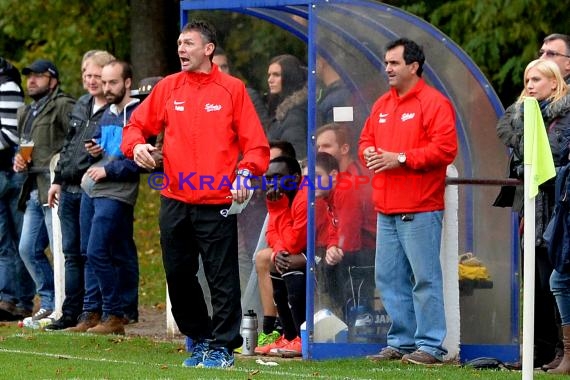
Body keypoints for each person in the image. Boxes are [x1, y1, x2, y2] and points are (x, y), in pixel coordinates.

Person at [121, 20, 269, 368]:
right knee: (177, 274)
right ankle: (200, 338)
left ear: (208, 49)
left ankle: (223, 346)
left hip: (217, 201)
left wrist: (246, 173)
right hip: (174, 198)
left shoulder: (233, 89)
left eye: (188, 43)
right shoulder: (169, 87)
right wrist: (136, 146)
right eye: (178, 44)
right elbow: (135, 126)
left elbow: (257, 146)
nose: (181, 50)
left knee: (221, 277)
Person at [359, 38, 457, 365]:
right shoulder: (382, 105)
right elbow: (365, 141)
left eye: (394, 63)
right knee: (388, 279)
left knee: (424, 279)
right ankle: (401, 342)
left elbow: (445, 150)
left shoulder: (435, 103)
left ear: (413, 66)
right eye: (386, 62)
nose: (387, 68)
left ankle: (430, 346)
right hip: (386, 207)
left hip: (420, 207)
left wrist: (399, 158)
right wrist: (369, 153)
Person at [496, 59, 570, 370]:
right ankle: (536, 352)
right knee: (536, 286)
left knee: (556, 283)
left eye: (537, 79)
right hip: (532, 210)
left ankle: (559, 352)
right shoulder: (524, 117)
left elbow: (546, 158)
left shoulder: (563, 118)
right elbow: (517, 158)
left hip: (558, 210)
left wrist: (527, 123)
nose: (529, 85)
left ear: (555, 83)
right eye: (527, 78)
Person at [67, 60, 140, 335]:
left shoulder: (139, 114)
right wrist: (94, 149)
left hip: (117, 192)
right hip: (92, 190)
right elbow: (102, 146)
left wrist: (108, 168)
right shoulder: (107, 113)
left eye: (112, 83)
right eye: (104, 82)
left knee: (99, 251)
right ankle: (91, 312)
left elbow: (140, 161)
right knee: (88, 252)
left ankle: (114, 314)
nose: (106, 88)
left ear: (127, 82)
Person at [44, 50, 115, 331]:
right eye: (87, 75)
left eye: (96, 75)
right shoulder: (81, 104)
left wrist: (103, 152)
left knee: (89, 252)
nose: (91, 80)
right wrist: (57, 180)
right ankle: (70, 312)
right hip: (69, 188)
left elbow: (116, 149)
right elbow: (68, 147)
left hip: (92, 188)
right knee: (70, 254)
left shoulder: (111, 109)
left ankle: (92, 311)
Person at [13, 59, 75, 321]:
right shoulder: (26, 112)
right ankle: (49, 301)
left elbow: (74, 142)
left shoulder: (64, 105)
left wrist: (60, 170)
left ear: (53, 79)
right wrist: (18, 159)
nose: (32, 81)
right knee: (27, 249)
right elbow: (25, 146)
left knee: (62, 251)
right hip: (32, 189)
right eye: (29, 77)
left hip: (55, 188)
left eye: (38, 76)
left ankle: (64, 305)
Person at [315, 124, 376, 325]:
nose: (320, 152)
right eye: (318, 147)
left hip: (369, 250)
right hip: (352, 247)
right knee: (324, 259)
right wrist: (333, 245)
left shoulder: (350, 182)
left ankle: (345, 324)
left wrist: (336, 247)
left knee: (329, 265)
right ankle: (338, 321)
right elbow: (336, 223)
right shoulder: (331, 181)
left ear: (344, 149)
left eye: (326, 146)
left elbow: (349, 234)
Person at [254, 155, 307, 357]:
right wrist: (277, 251)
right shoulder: (281, 197)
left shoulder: (303, 198)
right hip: (299, 250)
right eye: (269, 178)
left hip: (325, 252)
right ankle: (289, 336)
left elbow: (294, 243)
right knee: (276, 260)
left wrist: (277, 209)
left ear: (294, 177)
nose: (272, 183)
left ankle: (301, 337)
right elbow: (271, 235)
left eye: (278, 177)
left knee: (286, 263)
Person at [0, 58, 35, 321]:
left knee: (21, 239)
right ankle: (8, 299)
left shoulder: (8, 86)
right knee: (4, 242)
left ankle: (22, 300)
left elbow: (9, 136)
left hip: (11, 173)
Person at [266, 54, 307, 158]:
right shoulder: (283, 110)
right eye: (269, 75)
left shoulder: (295, 114)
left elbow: (297, 153)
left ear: (289, 77)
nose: (270, 80)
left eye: (276, 75)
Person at [316, 55, 352, 126]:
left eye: (315, 60)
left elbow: (341, 131)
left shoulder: (339, 97)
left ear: (322, 61)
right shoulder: (335, 94)